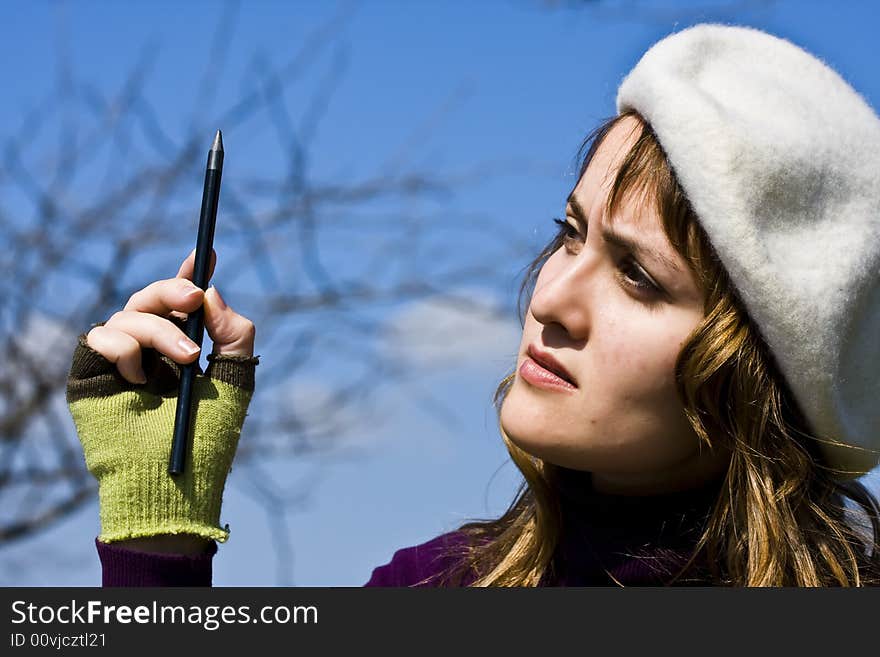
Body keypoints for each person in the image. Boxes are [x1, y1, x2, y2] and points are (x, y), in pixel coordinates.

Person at [67, 23, 880, 587]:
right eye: (570, 234)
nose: (552, 298)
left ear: (759, 376)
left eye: (638, 277)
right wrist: (159, 538)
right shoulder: (431, 587)